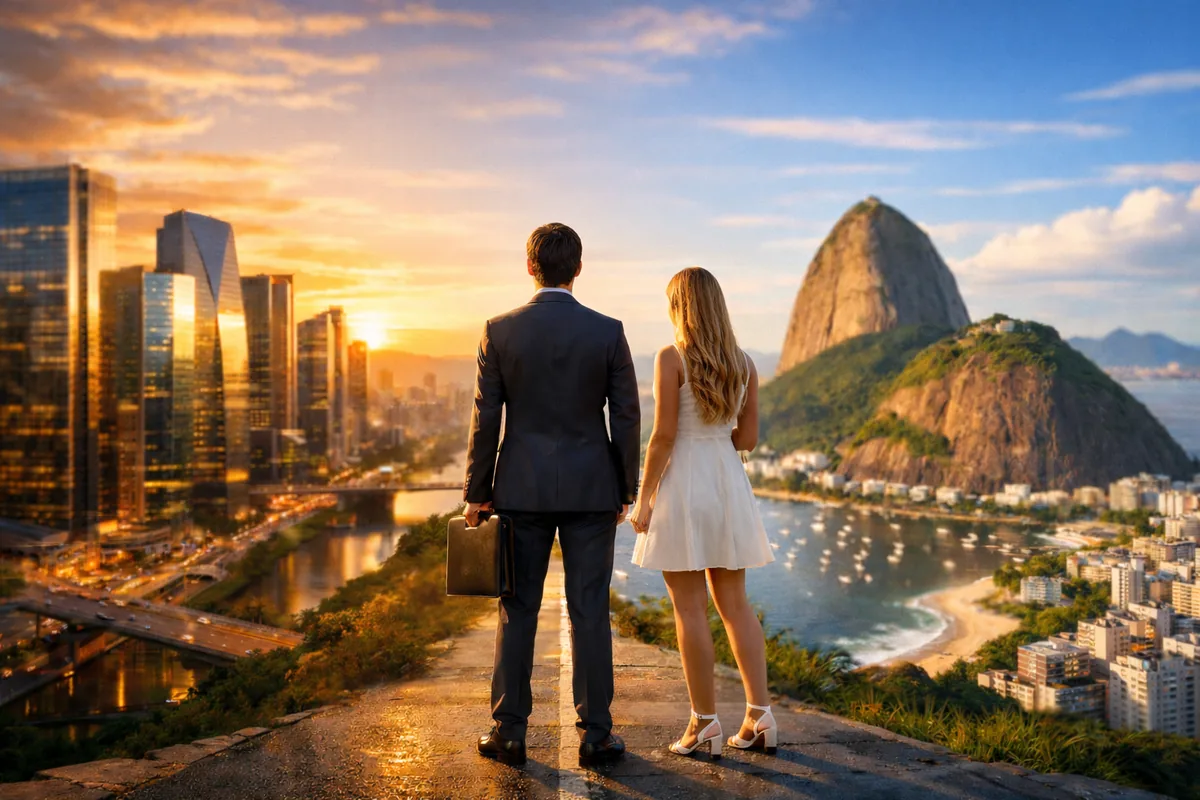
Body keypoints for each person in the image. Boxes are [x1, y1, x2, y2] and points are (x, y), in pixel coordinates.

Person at [464, 222, 641, 768]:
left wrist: (477, 493)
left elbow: (486, 417)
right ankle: (596, 736)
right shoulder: (608, 331)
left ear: (530, 267)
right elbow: (627, 416)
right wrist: (625, 489)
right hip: (592, 489)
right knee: (590, 611)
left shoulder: (499, 331)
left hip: (520, 489)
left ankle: (509, 733)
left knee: (518, 610)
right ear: (579, 269)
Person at [630, 266, 776, 761]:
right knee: (735, 605)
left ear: (679, 307)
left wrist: (644, 498)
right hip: (728, 483)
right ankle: (760, 717)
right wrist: (717, 437)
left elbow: (663, 436)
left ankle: (704, 723)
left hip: (684, 485)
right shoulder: (745, 363)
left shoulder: (671, 358)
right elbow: (747, 438)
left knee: (689, 609)